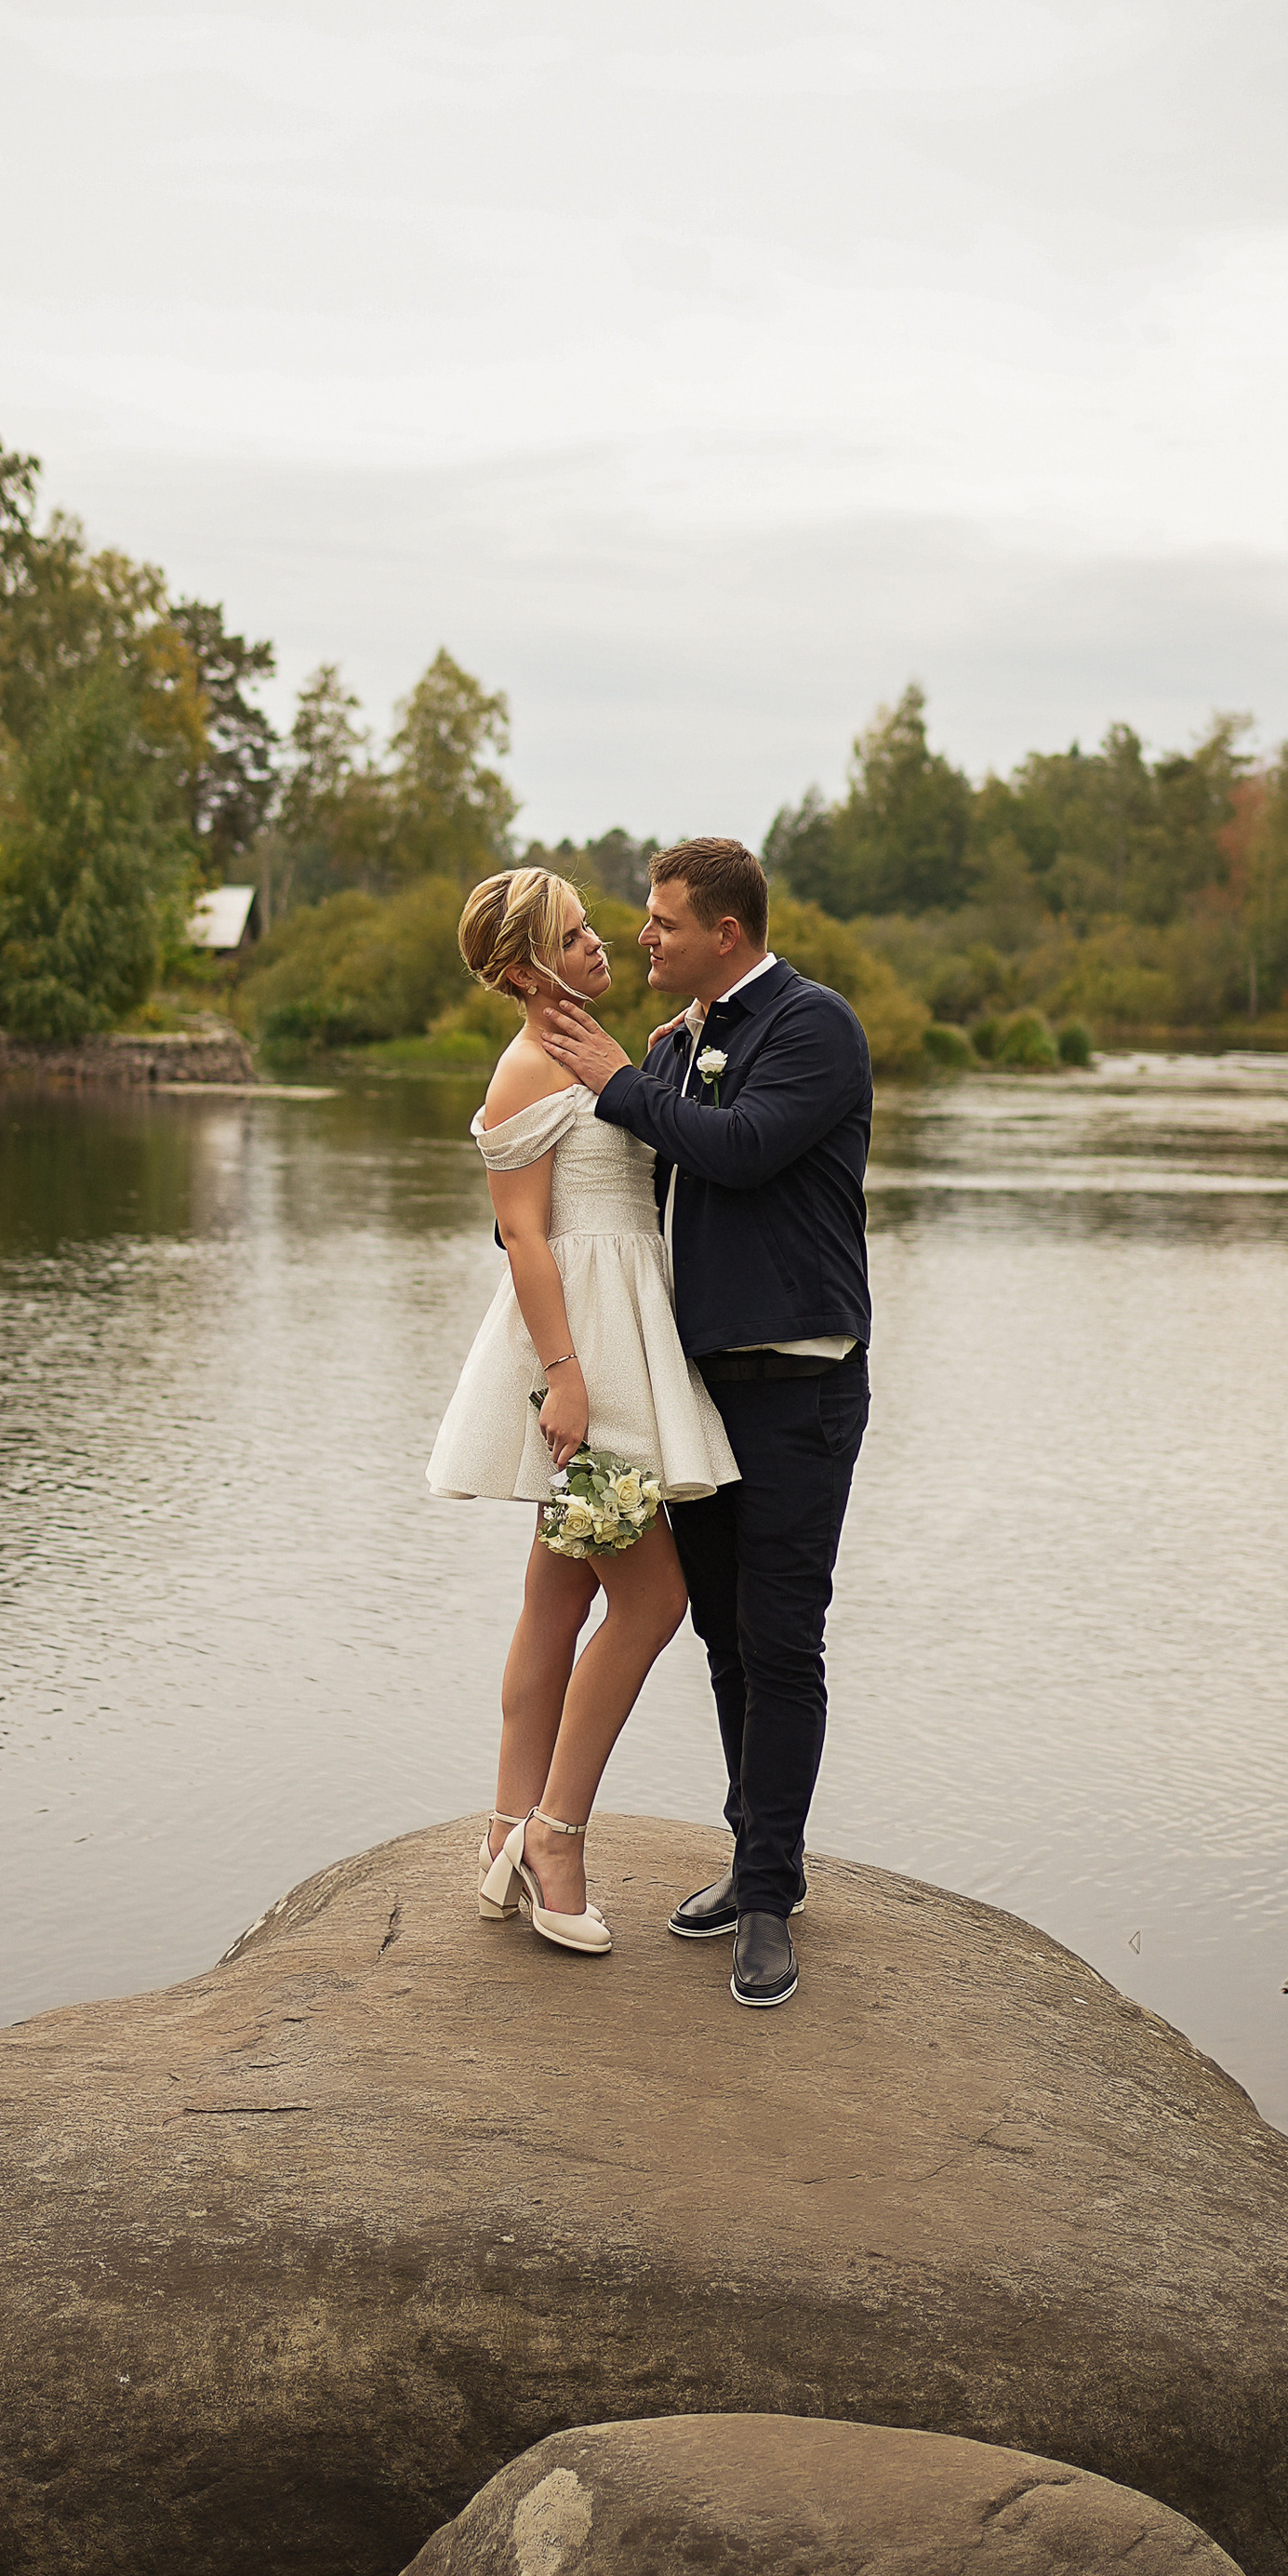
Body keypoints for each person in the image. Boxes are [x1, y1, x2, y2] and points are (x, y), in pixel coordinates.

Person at [533, 838, 871, 2012]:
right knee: (723, 1636)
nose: (644, 937)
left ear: (725, 933)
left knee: (782, 1639)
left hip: (800, 1384)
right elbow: (620, 1194)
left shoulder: (811, 1026)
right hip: (703, 1388)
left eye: (664, 921)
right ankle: (752, 1861)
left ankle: (771, 1900)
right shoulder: (675, 1042)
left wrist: (616, 1084)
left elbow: (740, 1150)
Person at [427, 868, 738, 1959]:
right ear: (522, 970)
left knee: (555, 1597)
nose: (601, 944)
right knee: (652, 1601)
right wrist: (565, 1376)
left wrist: (666, 1051)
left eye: (595, 927)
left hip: (618, 1337)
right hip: (585, 1362)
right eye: (574, 938)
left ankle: (507, 1829)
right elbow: (522, 1239)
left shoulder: (585, 1055)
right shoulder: (523, 1071)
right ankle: (556, 1838)